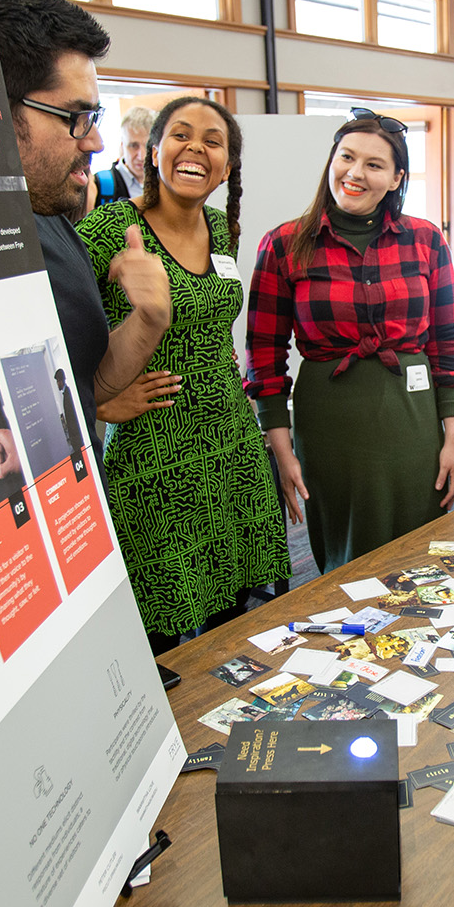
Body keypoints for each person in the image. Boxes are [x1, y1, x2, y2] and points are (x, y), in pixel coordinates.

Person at [78, 96, 290, 651]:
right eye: (180, 135)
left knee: (231, 615)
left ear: (226, 166)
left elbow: (214, 328)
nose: (195, 147)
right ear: (153, 151)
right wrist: (98, 404)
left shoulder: (224, 230)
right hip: (155, 454)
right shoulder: (109, 228)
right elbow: (55, 334)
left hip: (230, 445)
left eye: (213, 141)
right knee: (160, 626)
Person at [0, 0, 171, 462]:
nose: (95, 141)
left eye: (95, 115)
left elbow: (88, 385)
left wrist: (149, 320)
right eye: (75, 117)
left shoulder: (51, 219)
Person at [246, 109, 454, 571]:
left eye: (374, 164)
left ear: (395, 179)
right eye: (346, 157)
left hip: (413, 420)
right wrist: (282, 450)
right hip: (330, 425)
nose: (355, 173)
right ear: (331, 161)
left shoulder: (425, 241)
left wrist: (453, 438)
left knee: (421, 555)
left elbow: (448, 342)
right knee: (346, 561)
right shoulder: (284, 244)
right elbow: (263, 356)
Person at [101, 104, 153, 204]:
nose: (142, 157)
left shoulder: (166, 185)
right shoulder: (100, 185)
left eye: (148, 147)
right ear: (122, 146)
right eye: (133, 146)